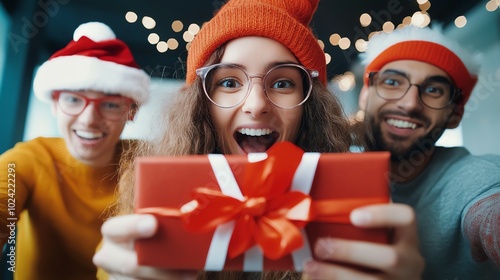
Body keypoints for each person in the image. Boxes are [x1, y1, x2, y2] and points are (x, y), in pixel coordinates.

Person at [93, 0, 424, 279]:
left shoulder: (355, 211)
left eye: (282, 84)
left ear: (311, 108)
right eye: (229, 82)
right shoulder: (145, 197)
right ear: (200, 106)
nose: (255, 105)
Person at [0, 22, 150, 279]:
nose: (89, 119)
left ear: (131, 112)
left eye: (111, 104)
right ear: (55, 104)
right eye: (72, 99)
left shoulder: (145, 164)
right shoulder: (29, 159)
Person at [356, 25, 500, 279]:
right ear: (366, 95)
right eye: (391, 82)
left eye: (434, 90)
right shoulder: (326, 174)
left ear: (455, 114)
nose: (410, 103)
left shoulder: (477, 178)